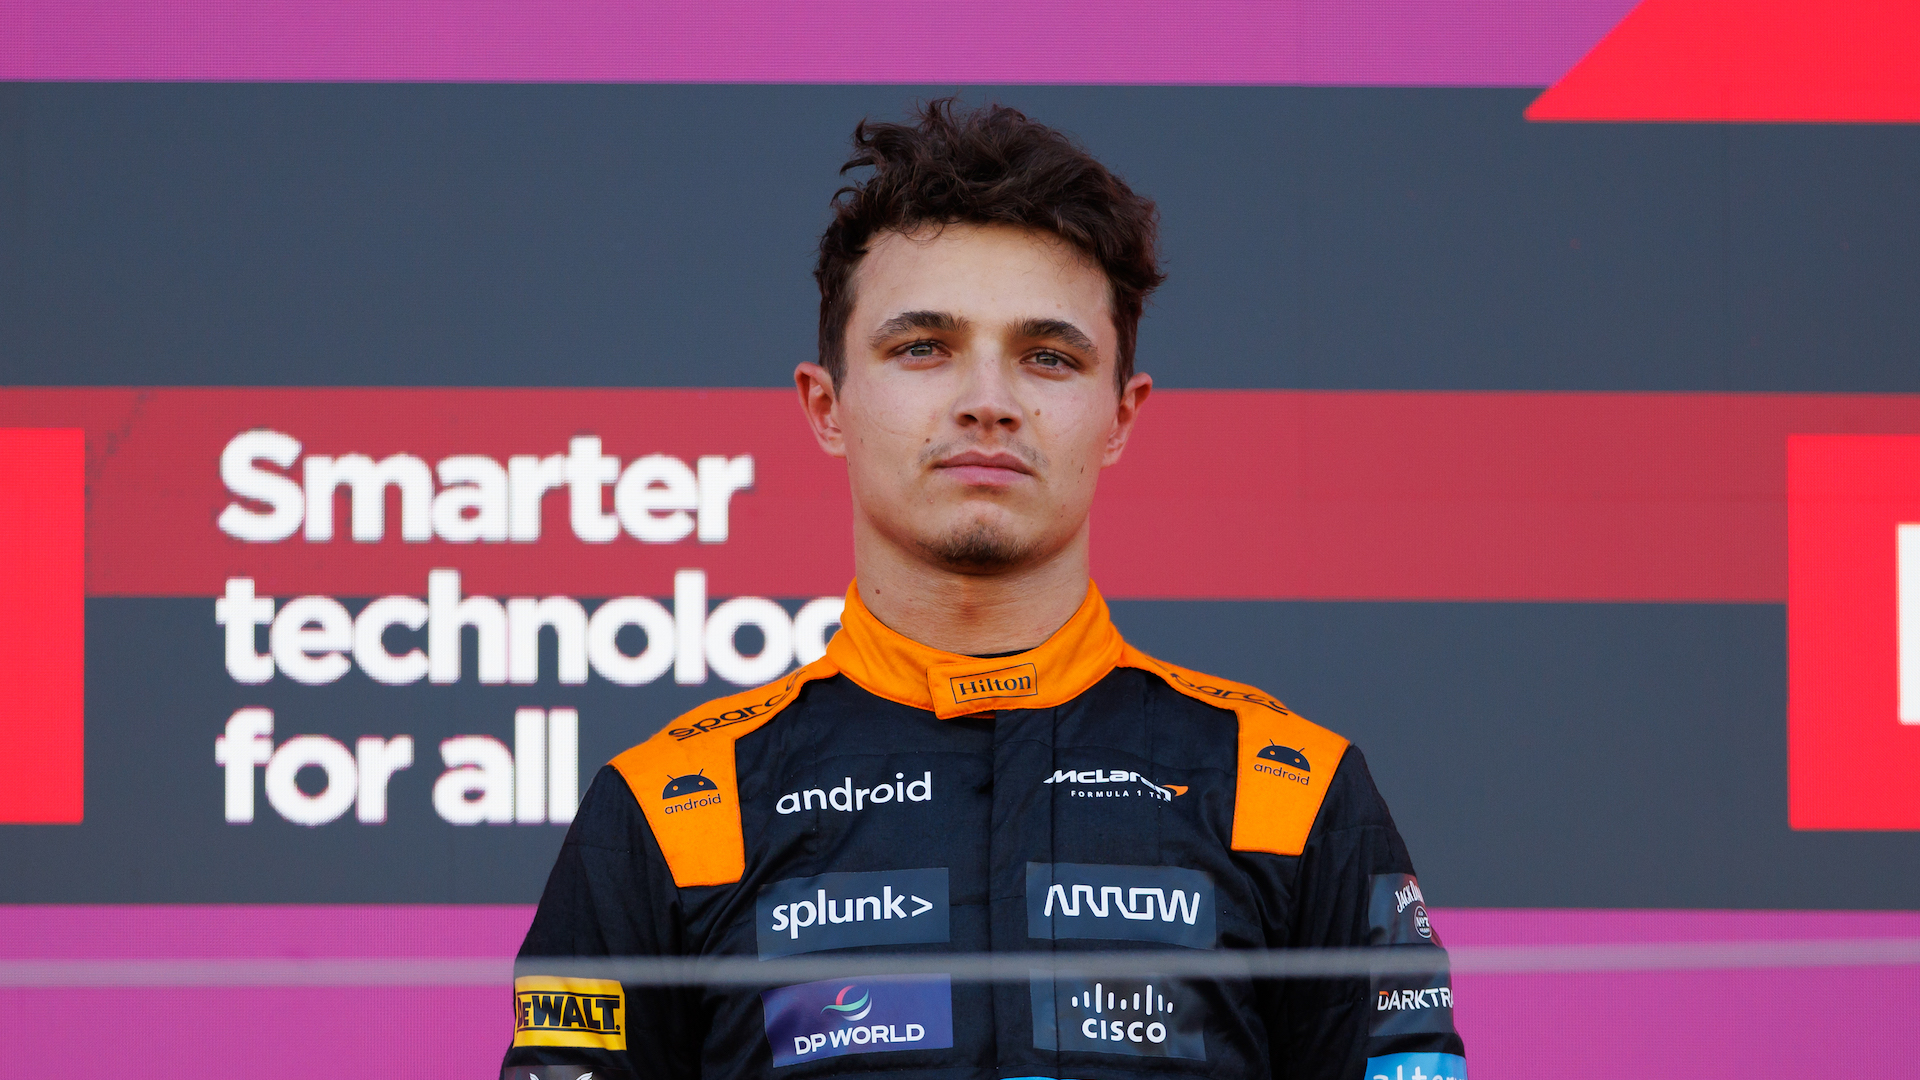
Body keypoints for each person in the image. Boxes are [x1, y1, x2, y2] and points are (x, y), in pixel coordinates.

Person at [502, 100, 1466, 1080]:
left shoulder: (1288, 791)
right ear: (826, 405)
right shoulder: (672, 810)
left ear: (1122, 416)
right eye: (923, 347)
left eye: (1049, 357)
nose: (989, 402)